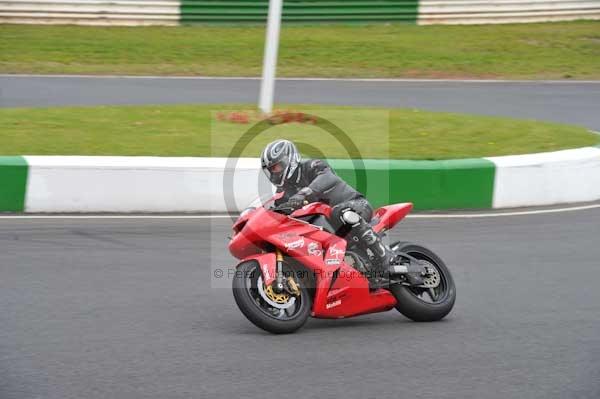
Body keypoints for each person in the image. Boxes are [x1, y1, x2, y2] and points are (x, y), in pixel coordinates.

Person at [260, 139, 422, 283]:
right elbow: (277, 212)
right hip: (329, 228)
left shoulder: (312, 166)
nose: (275, 172)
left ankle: (384, 257)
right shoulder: (284, 192)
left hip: (356, 206)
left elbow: (327, 177)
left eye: (277, 166)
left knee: (339, 212)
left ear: (290, 159)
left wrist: (305, 193)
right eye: (271, 169)